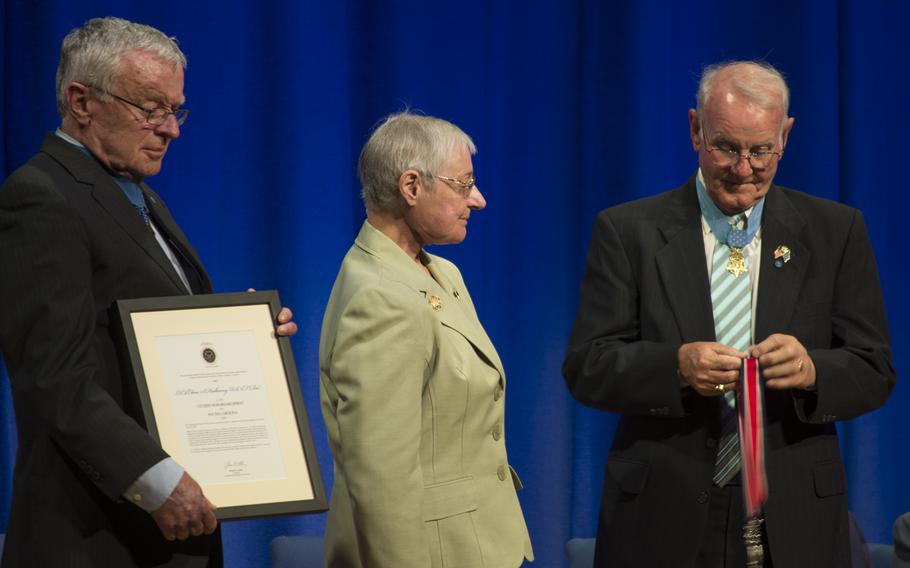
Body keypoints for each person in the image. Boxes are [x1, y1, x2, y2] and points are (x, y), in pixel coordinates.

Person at [562, 61, 895, 567]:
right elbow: (587, 366)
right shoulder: (628, 231)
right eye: (725, 147)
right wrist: (675, 367)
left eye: (762, 150)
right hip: (662, 512)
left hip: (794, 511)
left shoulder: (836, 231)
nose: (743, 168)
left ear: (786, 134)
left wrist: (811, 371)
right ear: (695, 129)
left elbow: (874, 368)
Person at [0, 17, 296, 567]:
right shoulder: (39, 196)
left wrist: (243, 336)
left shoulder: (139, 198)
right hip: (97, 537)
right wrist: (156, 481)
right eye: (150, 108)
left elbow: (142, 337)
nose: (171, 129)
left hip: (166, 534)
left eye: (175, 110)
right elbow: (53, 377)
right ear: (81, 101)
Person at [319, 112, 533, 567]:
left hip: (474, 543)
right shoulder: (379, 295)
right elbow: (380, 478)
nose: (478, 200)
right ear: (411, 186)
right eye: (463, 184)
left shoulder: (442, 273)